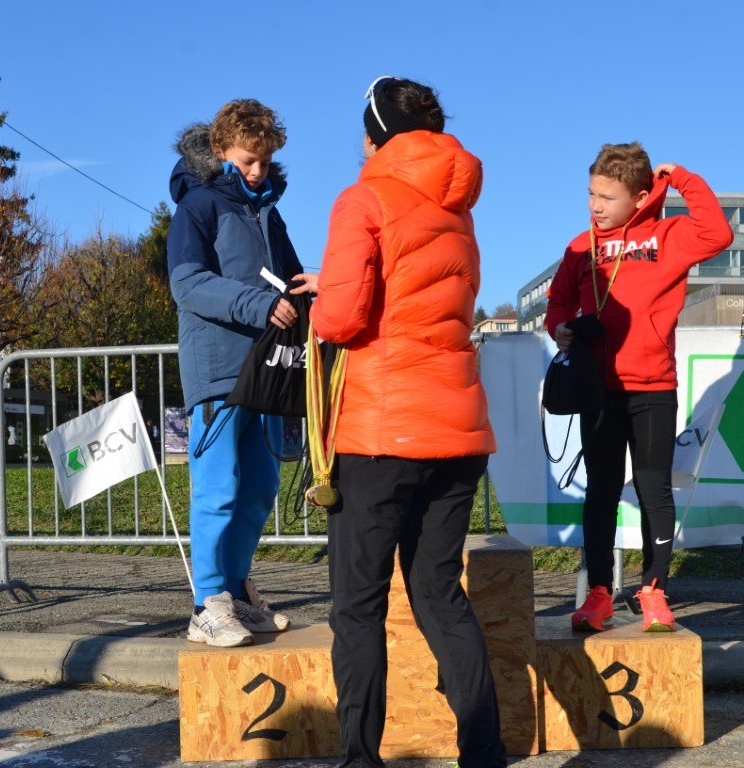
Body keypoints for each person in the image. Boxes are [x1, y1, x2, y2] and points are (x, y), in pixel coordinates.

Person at [309, 76, 506, 768]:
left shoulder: (362, 199)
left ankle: (361, 759)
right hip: (457, 429)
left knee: (357, 608)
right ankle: (484, 753)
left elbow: (341, 319)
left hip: (381, 430)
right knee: (439, 595)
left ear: (374, 138)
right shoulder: (458, 210)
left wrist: (319, 300)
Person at [544, 142, 734, 632]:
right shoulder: (579, 246)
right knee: (601, 493)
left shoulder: (669, 236)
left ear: (641, 197)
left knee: (654, 491)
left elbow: (719, 232)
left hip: (653, 388)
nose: (595, 205)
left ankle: (654, 592)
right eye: (591, 194)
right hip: (597, 390)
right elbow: (558, 301)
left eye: (607, 198)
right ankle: (599, 594)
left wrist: (683, 177)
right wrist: (559, 327)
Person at [166, 98, 316, 648]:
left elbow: (292, 282)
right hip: (217, 371)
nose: (257, 171)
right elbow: (187, 284)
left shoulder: (268, 211)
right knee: (217, 490)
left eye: (265, 161)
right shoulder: (198, 205)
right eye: (248, 160)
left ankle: (234, 591)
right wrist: (260, 306)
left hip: (266, 371)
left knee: (258, 487)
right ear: (220, 149)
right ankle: (206, 604)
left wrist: (311, 301)